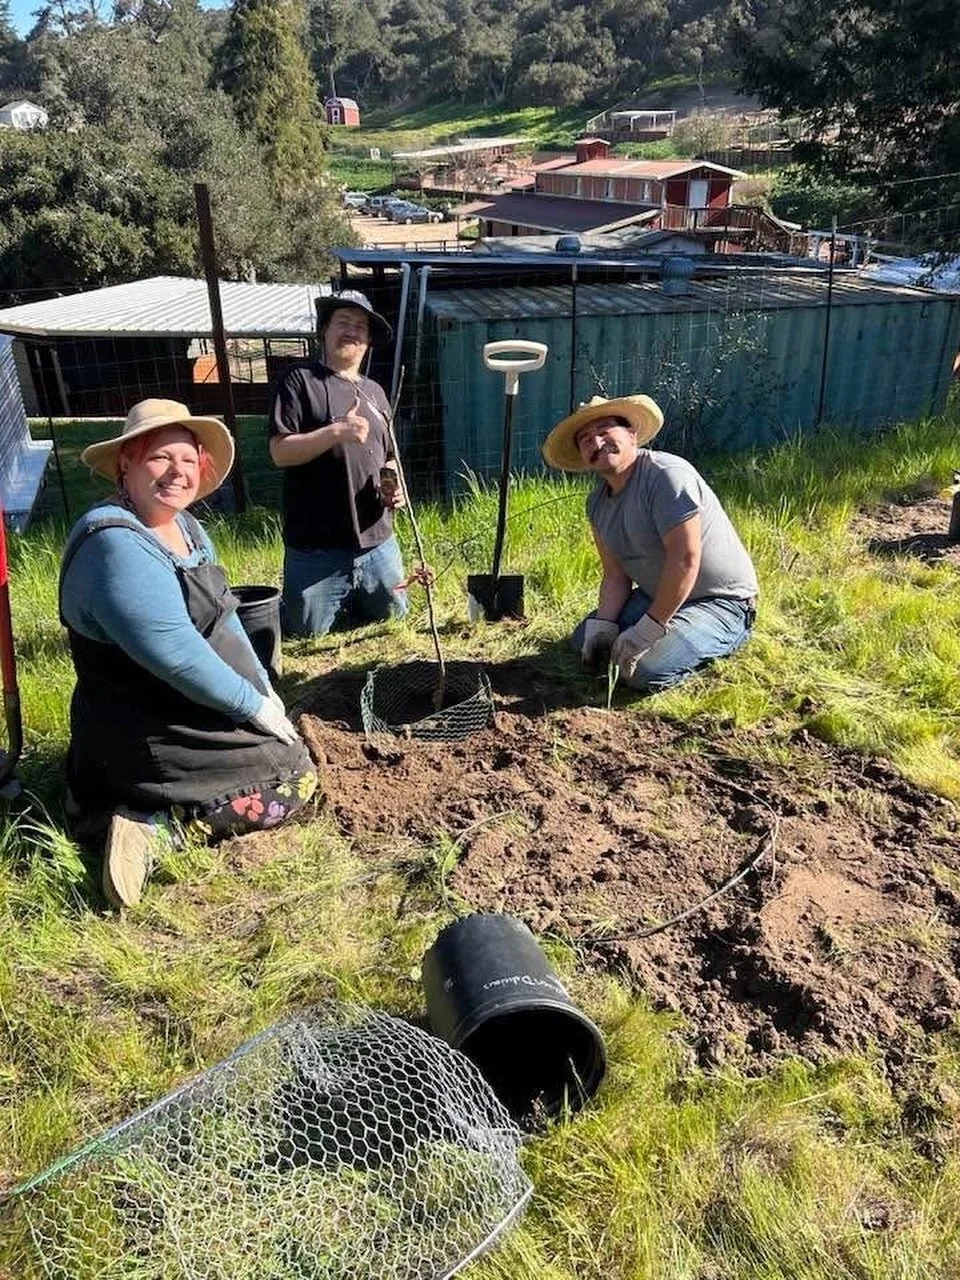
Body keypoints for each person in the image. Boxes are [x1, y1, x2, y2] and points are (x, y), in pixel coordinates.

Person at [60, 399, 317, 909]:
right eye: (160, 457)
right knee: (295, 784)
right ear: (126, 463)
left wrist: (263, 688)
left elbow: (223, 617)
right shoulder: (115, 544)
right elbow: (176, 653)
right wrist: (252, 706)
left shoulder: (185, 527)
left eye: (187, 458)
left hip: (185, 703)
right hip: (148, 727)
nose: (177, 472)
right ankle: (155, 832)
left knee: (288, 754)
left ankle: (110, 801)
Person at [541, 394, 758, 692]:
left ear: (632, 435)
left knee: (641, 671)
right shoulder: (597, 504)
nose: (597, 442)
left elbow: (684, 560)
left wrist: (648, 628)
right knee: (584, 640)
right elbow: (615, 575)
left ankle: (720, 637)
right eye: (586, 440)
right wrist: (604, 627)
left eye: (605, 431)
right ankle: (663, 631)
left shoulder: (667, 476)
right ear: (582, 455)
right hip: (656, 594)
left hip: (718, 601)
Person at [267, 289, 408, 636]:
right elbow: (280, 452)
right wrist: (335, 432)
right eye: (343, 322)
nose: (352, 332)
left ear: (368, 341)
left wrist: (398, 486)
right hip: (317, 548)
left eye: (360, 327)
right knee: (305, 634)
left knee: (394, 621)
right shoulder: (300, 381)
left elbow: (389, 454)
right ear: (324, 331)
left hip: (377, 541)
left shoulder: (375, 391)